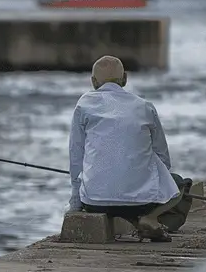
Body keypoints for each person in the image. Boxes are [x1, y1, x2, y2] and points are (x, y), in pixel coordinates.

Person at [68, 55, 187, 242]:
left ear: (93, 82)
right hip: (141, 204)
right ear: (125, 79)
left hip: (95, 202)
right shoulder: (145, 107)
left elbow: (76, 157)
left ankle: (140, 218)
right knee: (180, 184)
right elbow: (163, 159)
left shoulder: (83, 105)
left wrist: (75, 205)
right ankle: (149, 218)